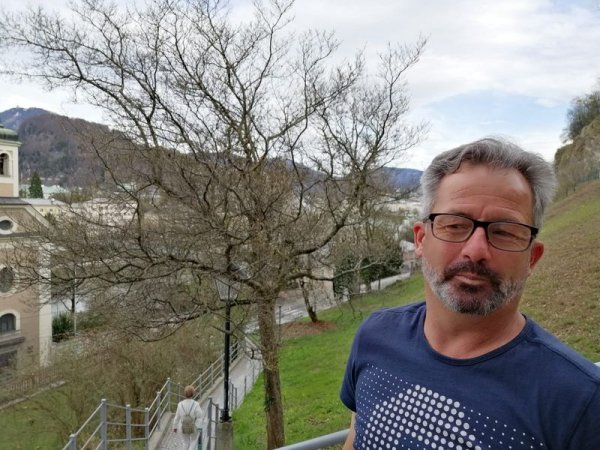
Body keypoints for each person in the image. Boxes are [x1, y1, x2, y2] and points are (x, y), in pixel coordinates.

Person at [340, 138, 600, 450]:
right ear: (421, 240)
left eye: (504, 231)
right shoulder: (374, 336)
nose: (476, 251)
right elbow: (355, 438)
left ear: (532, 257)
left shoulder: (580, 402)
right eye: (454, 225)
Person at [173, 385, 203, 450]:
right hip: (193, 426)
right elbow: (200, 416)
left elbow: (177, 417)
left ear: (185, 393)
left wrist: (175, 427)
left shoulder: (180, 404)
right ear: (193, 393)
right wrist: (199, 427)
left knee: (185, 443)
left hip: (182, 426)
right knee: (194, 441)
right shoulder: (196, 404)